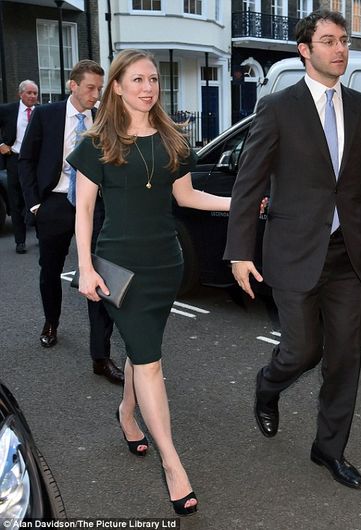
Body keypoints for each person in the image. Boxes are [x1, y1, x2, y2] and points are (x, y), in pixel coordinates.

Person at [224, 10, 361, 489]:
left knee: (345, 358)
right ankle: (268, 386)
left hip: (349, 256)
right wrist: (239, 252)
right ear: (305, 50)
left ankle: (328, 450)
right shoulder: (278, 107)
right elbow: (248, 184)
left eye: (345, 40)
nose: (340, 49)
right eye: (329, 41)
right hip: (293, 252)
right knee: (303, 350)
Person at [67, 49, 230, 516]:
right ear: (116, 86)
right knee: (150, 362)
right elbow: (83, 211)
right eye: (136, 79)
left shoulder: (172, 138)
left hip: (166, 266)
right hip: (122, 268)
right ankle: (173, 465)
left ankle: (125, 413)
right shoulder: (98, 142)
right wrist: (87, 267)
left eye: (153, 80)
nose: (147, 87)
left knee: (144, 355)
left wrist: (237, 204)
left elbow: (188, 196)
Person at [19, 60, 124, 384]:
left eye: (99, 88)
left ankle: (100, 356)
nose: (96, 95)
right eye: (90, 88)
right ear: (73, 85)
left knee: (99, 277)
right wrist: (36, 204)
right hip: (55, 202)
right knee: (50, 270)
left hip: (96, 207)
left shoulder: (104, 119)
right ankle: (52, 322)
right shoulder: (47, 115)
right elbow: (26, 160)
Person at [0, 79, 38, 253]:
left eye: (35, 93)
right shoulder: (8, 110)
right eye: (29, 93)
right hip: (14, 159)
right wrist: (1, 144)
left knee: (36, 199)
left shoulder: (42, 112)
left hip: (36, 161)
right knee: (16, 202)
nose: (32, 96)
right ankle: (20, 241)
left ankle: (40, 236)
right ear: (20, 94)